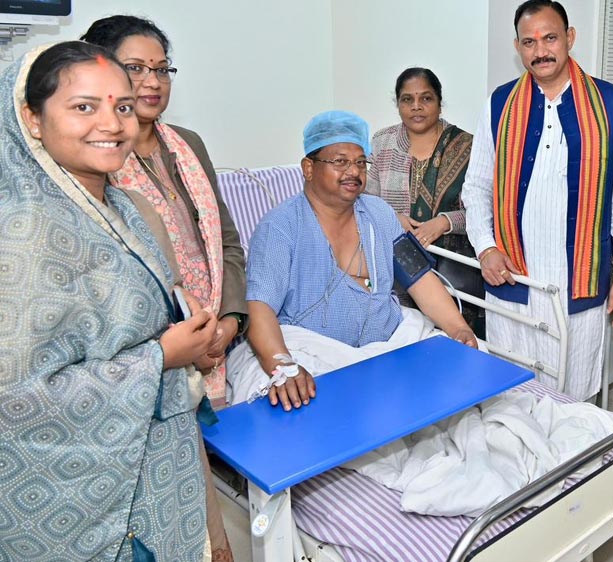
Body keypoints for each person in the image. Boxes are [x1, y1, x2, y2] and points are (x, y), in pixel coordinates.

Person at [1, 41, 216, 561]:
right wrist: (161, 357)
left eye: (122, 106)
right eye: (84, 106)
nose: (112, 124)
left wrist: (181, 313)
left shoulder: (121, 205)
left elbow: (118, 311)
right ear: (32, 118)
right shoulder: (25, 231)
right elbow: (16, 397)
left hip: (156, 461)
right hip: (95, 501)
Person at [462, 0, 613, 401]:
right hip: (513, 279)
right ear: (517, 47)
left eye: (550, 38)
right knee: (511, 395)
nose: (540, 50)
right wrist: (486, 247)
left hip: (578, 282)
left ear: (569, 38)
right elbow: (476, 187)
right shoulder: (500, 103)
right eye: (529, 42)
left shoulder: (611, 104)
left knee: (574, 399)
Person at [242, 110, 477, 412]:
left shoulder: (380, 214)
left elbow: (419, 279)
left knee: (467, 384)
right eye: (340, 161)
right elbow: (259, 308)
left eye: (360, 162)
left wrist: (458, 329)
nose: (353, 171)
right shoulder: (279, 228)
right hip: (316, 358)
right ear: (308, 168)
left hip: (389, 349)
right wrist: (284, 366)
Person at [81, 16, 249, 411]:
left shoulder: (188, 145)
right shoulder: (93, 158)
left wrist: (229, 323)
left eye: (161, 70)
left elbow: (226, 241)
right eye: (136, 68)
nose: (153, 82)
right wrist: (181, 341)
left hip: (215, 338)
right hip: (146, 353)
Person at [367, 67, 481, 331]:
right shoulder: (383, 142)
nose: (416, 107)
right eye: (407, 99)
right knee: (403, 335)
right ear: (398, 104)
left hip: (455, 273)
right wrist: (391, 218)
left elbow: (485, 211)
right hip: (395, 267)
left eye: (426, 98)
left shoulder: (468, 147)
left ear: (439, 103)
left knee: (452, 339)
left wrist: (444, 222)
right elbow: (365, 201)